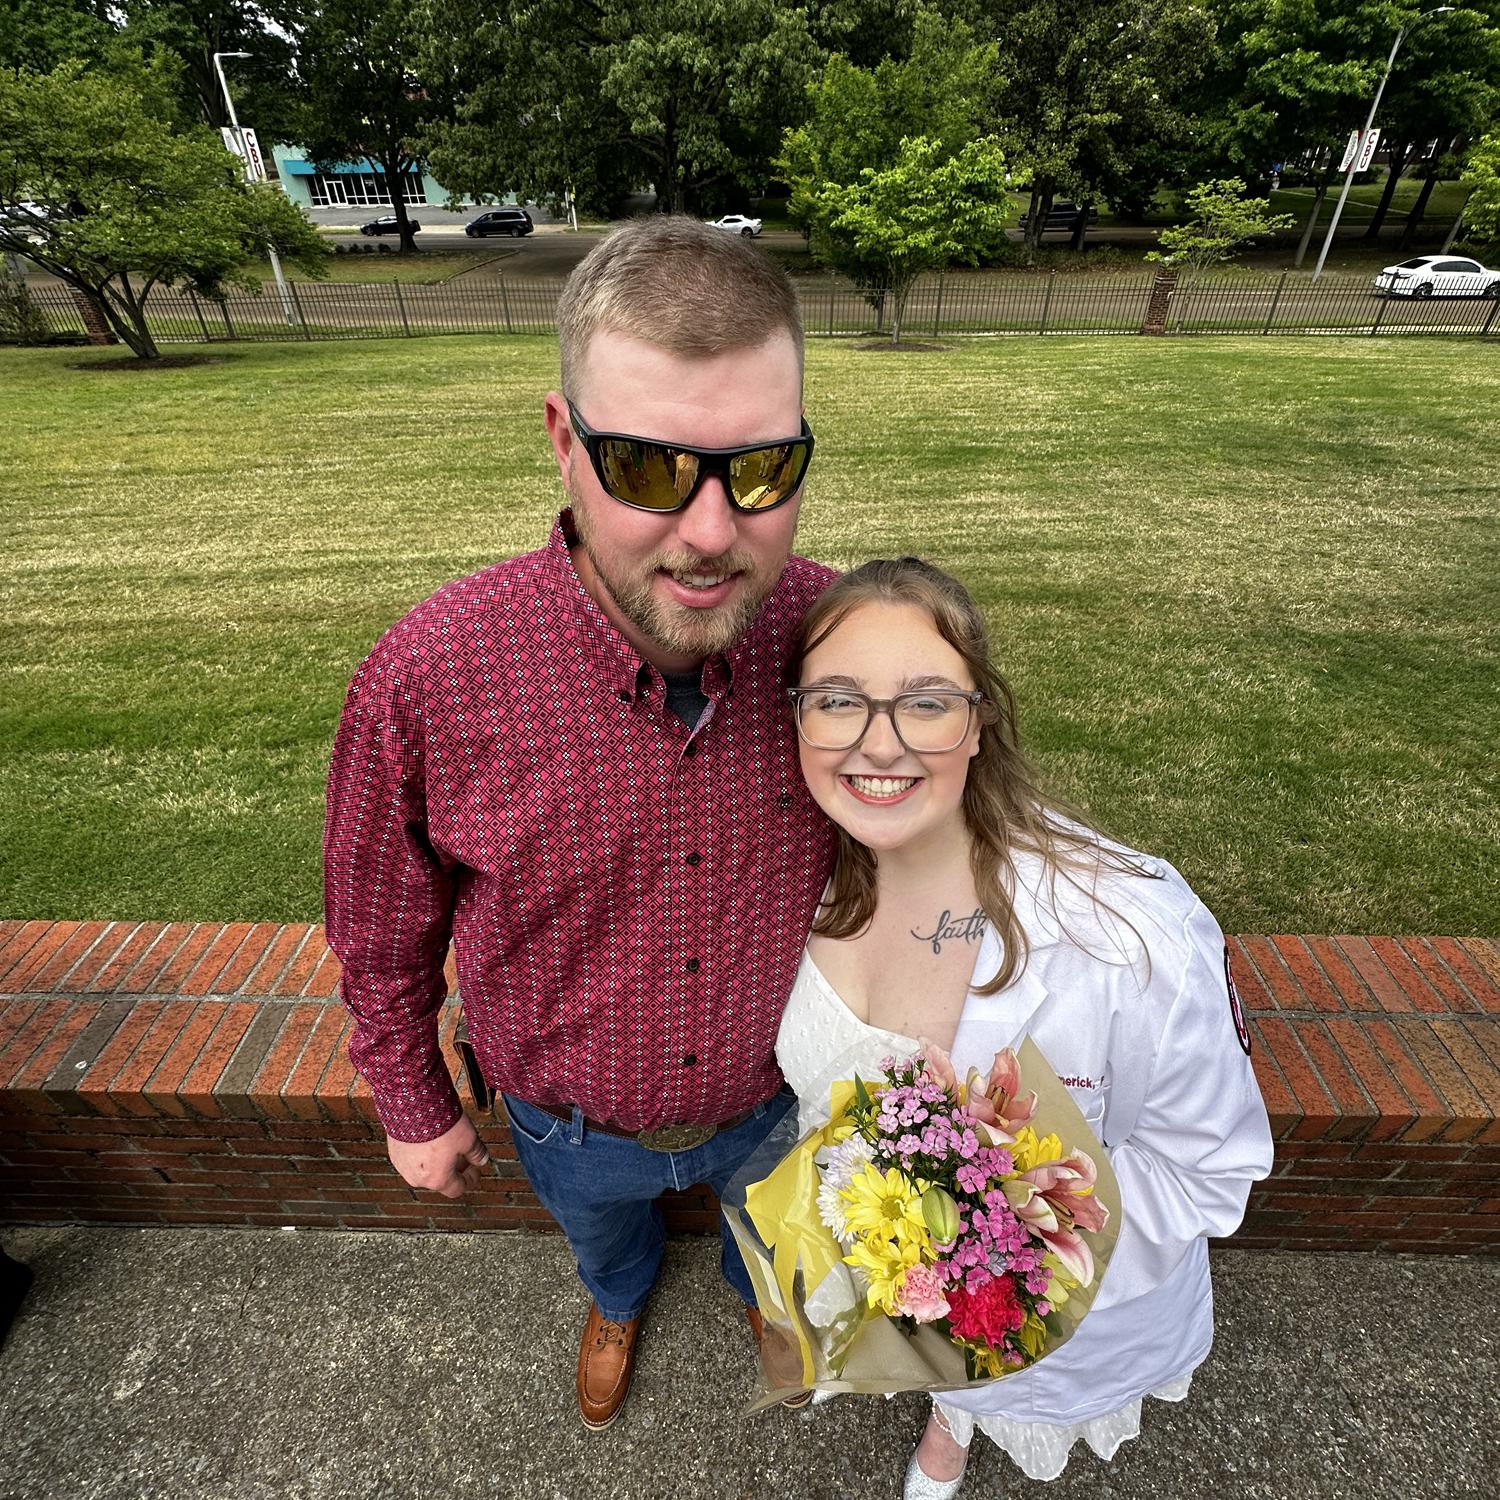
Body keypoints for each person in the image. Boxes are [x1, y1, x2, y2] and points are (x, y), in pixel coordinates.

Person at [323, 217, 836, 1431]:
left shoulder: (842, 639)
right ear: (562, 441)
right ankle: (617, 1298)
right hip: (567, 1124)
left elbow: (962, 827)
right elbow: (381, 924)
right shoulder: (428, 676)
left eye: (760, 471)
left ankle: (759, 1287)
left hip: (783, 1106)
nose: (713, 533)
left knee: (768, 1239)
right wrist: (413, 1101)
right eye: (650, 469)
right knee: (606, 1243)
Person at [773, 557, 1273, 1497]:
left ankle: (955, 1428)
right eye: (838, 699)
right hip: (888, 1266)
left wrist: (994, 1254)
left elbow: (1212, 1173)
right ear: (797, 716)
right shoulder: (795, 870)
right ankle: (945, 1417)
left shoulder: (1131, 936)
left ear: (979, 719)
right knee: (943, 1380)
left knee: (996, 1388)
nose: (878, 746)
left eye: (925, 703)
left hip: (1039, 1309)